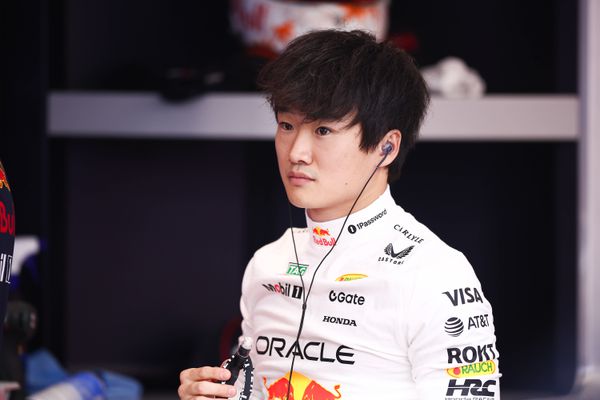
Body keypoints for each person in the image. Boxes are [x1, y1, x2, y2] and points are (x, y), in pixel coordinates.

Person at [178, 29, 500, 400]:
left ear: (386, 147)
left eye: (323, 130)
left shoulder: (433, 274)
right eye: (286, 125)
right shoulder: (267, 263)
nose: (297, 152)